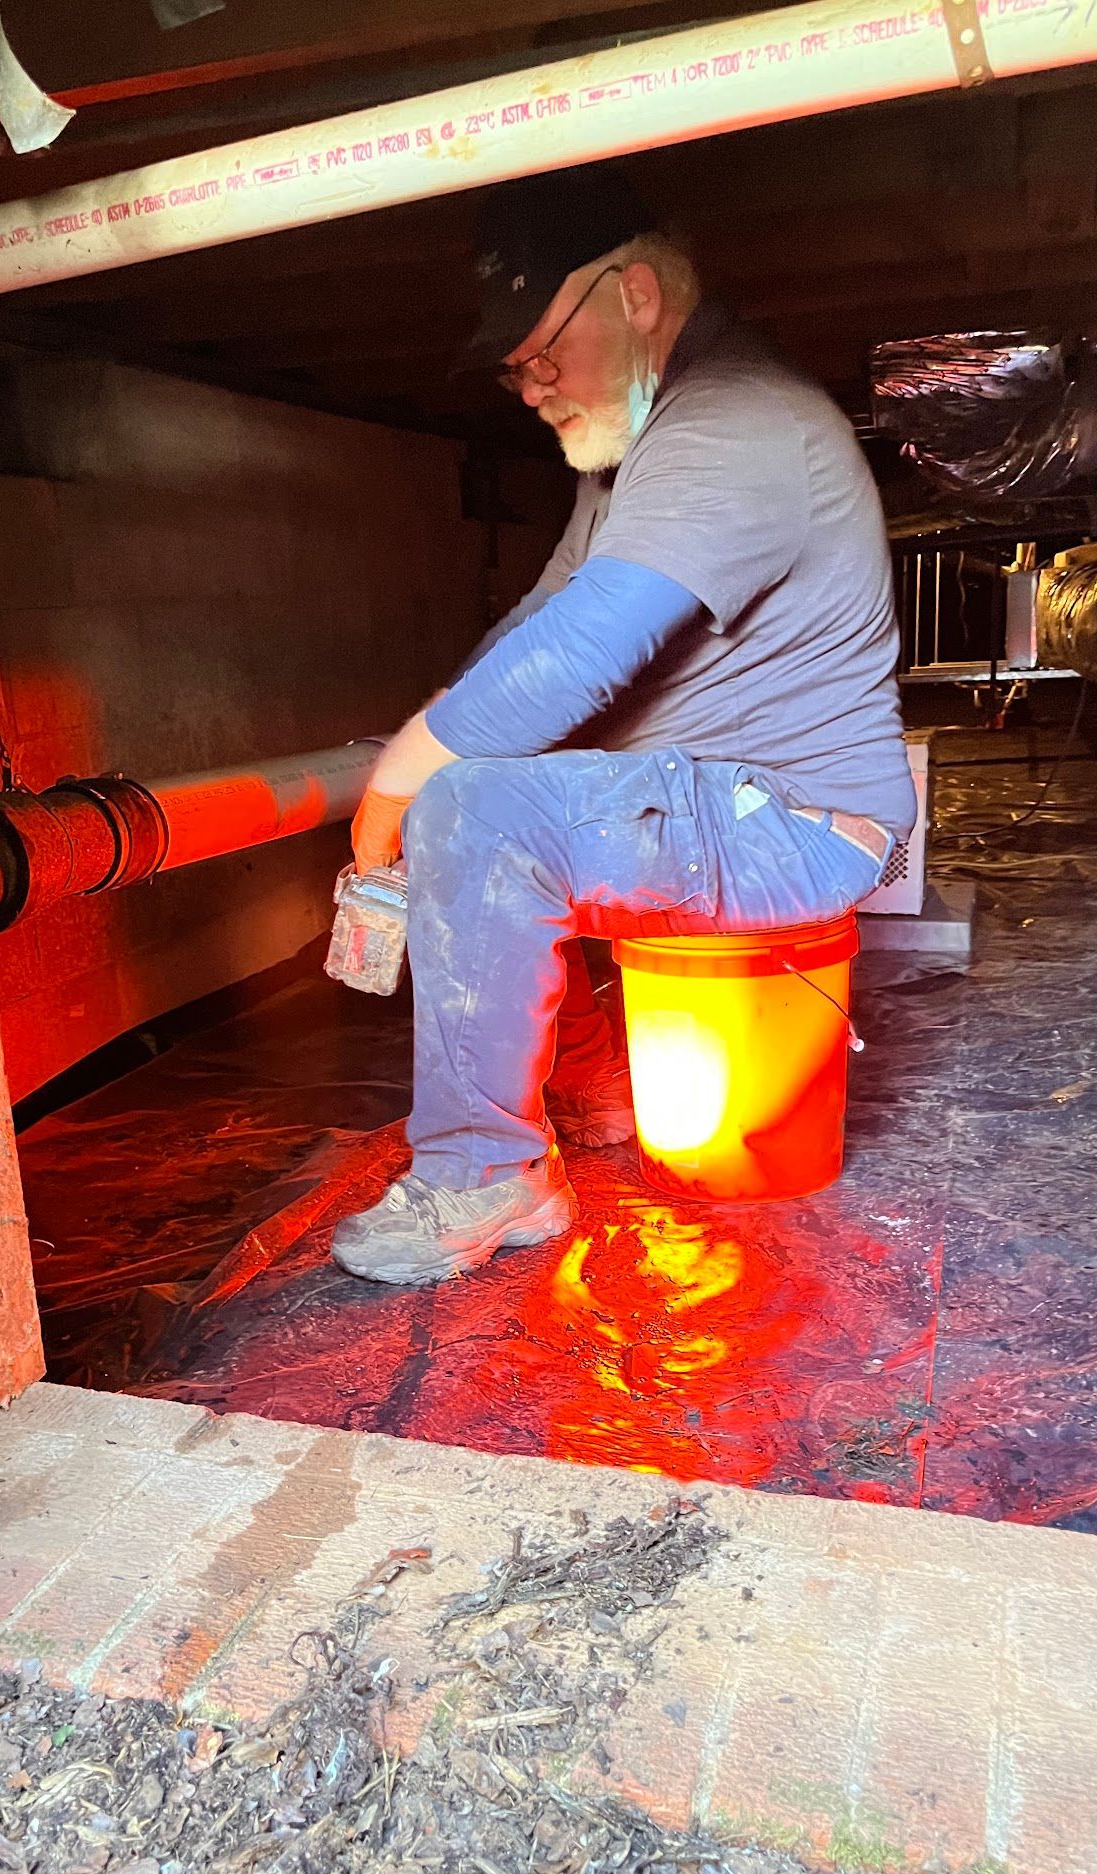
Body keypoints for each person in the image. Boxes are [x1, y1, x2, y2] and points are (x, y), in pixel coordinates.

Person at [331, 162, 916, 1286]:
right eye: (513, 365)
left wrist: (411, 776)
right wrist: (427, 731)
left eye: (542, 347)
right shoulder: (635, 452)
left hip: (794, 824)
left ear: (634, 294)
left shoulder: (737, 418)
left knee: (478, 808)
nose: (525, 379)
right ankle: (597, 1094)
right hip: (716, 808)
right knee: (495, 775)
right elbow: (539, 622)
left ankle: (482, 1173)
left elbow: (589, 644)